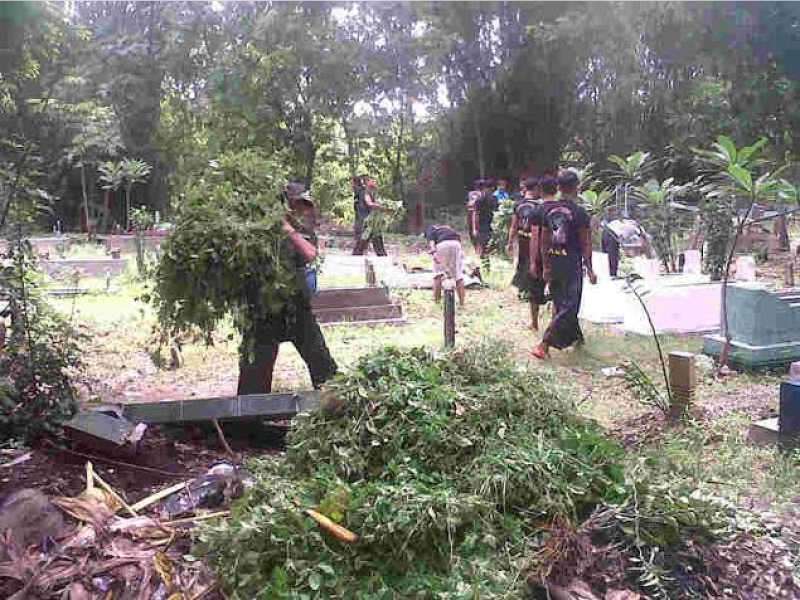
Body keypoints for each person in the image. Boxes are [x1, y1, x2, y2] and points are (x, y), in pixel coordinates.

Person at [237, 182, 337, 394]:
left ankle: (336, 406)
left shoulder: (302, 232)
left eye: (305, 205)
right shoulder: (261, 231)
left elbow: (310, 254)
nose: (304, 211)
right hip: (263, 313)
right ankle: (246, 422)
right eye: (298, 205)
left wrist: (288, 230)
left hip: (296, 309)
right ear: (285, 205)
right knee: (253, 376)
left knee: (322, 365)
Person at [530, 172, 597, 359]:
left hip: (553, 261)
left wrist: (545, 265)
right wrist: (590, 268)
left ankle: (577, 341)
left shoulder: (548, 210)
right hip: (570, 265)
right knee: (570, 305)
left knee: (561, 304)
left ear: (559, 187)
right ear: (577, 187)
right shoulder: (579, 213)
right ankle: (544, 344)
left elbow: (543, 241)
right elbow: (586, 244)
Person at [507, 176, 546, 330]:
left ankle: (534, 321)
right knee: (537, 276)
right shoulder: (541, 206)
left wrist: (510, 242)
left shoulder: (518, 205)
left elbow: (513, 226)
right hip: (538, 245)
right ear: (536, 189)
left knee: (526, 272)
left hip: (523, 243)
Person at [425, 224, 466, 306]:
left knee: (438, 275)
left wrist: (434, 253)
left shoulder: (431, 229)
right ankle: (462, 303)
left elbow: (431, 241)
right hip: (456, 244)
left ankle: (437, 302)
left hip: (442, 244)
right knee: (458, 275)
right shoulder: (448, 229)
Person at [600, 208, 649, 277]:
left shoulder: (632, 224)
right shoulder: (636, 228)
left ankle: (613, 272)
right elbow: (641, 238)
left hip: (608, 230)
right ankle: (613, 274)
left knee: (611, 253)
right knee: (613, 254)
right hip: (611, 232)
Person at [352, 176, 387, 256]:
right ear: (367, 182)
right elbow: (369, 203)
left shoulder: (368, 192)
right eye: (372, 181)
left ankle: (382, 256)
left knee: (373, 241)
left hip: (370, 222)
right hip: (366, 222)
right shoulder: (365, 192)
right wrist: (381, 207)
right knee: (363, 242)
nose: (375, 182)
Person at [471, 178, 497, 272]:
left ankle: (485, 265)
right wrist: (475, 228)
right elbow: (475, 214)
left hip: (491, 225)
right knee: (482, 246)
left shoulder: (494, 199)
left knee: (489, 247)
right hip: (482, 225)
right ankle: (481, 267)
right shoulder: (480, 199)